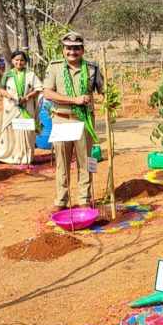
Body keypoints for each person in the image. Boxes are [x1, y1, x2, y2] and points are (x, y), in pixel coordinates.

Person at [42, 31, 103, 211]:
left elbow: (103, 90)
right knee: (62, 163)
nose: (72, 52)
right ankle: (61, 201)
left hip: (84, 122)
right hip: (62, 121)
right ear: (63, 50)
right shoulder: (54, 67)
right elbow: (48, 93)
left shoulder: (92, 68)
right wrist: (74, 100)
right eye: (69, 48)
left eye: (76, 48)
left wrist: (110, 101)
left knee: (86, 162)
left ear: (83, 50)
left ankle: (84, 199)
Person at [0, 51, 43, 165]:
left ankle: (25, 157)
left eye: (22, 60)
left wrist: (27, 97)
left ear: (25, 62)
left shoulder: (31, 74)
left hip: (26, 106)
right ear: (12, 61)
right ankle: (5, 156)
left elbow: (38, 89)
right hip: (11, 106)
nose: (19, 62)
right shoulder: (7, 74)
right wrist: (8, 95)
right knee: (9, 130)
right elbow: (1, 89)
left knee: (26, 131)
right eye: (16, 60)